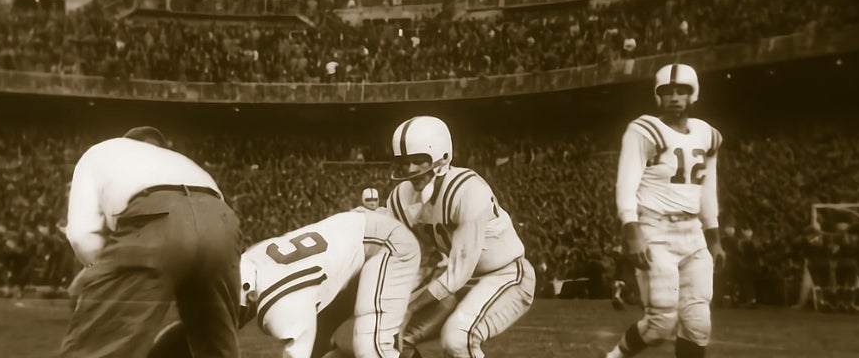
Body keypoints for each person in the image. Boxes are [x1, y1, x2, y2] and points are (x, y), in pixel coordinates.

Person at [60, 126, 242, 358]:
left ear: (125, 141)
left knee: (101, 345)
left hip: (155, 215)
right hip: (221, 221)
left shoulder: (99, 153)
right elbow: (201, 232)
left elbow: (82, 234)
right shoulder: (183, 160)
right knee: (216, 345)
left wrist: (100, 273)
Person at [151, 210, 420, 358]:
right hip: (351, 246)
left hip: (384, 244)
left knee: (371, 349)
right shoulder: (250, 260)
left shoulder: (280, 309)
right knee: (320, 351)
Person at [385, 116, 536, 358]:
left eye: (418, 161)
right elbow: (402, 260)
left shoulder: (468, 190)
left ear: (443, 157)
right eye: (403, 162)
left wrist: (409, 308)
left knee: (458, 338)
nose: (410, 170)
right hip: (456, 282)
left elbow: (459, 271)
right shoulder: (399, 199)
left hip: (506, 274)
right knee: (391, 337)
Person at [604, 64, 726, 358]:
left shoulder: (706, 134)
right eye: (667, 91)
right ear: (658, 96)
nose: (674, 97)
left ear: (692, 94)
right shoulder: (644, 130)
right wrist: (632, 231)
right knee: (660, 324)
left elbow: (707, 190)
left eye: (681, 90)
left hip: (692, 233)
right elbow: (626, 183)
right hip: (655, 231)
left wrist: (715, 238)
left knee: (698, 323)